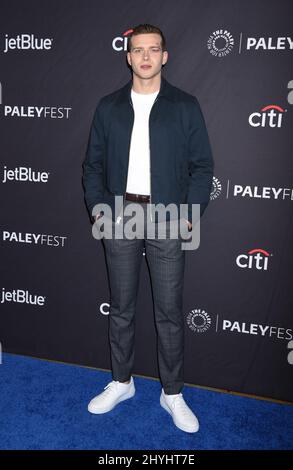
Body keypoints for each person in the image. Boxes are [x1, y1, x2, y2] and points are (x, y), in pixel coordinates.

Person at [82, 24, 214, 433]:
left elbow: (202, 166)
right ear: (127, 56)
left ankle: (171, 392)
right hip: (121, 215)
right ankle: (122, 382)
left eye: (153, 50)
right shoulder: (108, 107)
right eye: (137, 50)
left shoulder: (185, 105)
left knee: (169, 312)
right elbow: (92, 167)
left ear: (164, 56)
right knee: (120, 308)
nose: (145, 57)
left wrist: (190, 213)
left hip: (169, 217)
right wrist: (101, 211)